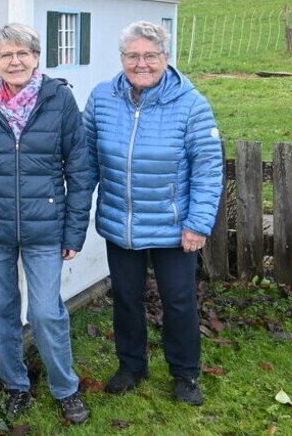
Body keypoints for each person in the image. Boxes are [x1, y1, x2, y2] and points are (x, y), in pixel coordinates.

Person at [83, 21, 223, 406]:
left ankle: (185, 373)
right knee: (126, 298)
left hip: (173, 226)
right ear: (122, 58)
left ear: (165, 57)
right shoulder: (102, 98)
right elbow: (86, 159)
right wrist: (76, 209)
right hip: (121, 221)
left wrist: (197, 224)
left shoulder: (191, 104)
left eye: (150, 56)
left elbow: (208, 169)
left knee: (178, 301)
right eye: (133, 56)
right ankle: (132, 366)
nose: (141, 64)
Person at [0, 23, 92, 425]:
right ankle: (16, 384)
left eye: (23, 53)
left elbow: (80, 170)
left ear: (36, 58)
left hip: (45, 227)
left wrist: (74, 231)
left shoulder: (59, 99)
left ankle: (65, 388)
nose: (15, 61)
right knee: (2, 309)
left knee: (46, 312)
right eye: (6, 55)